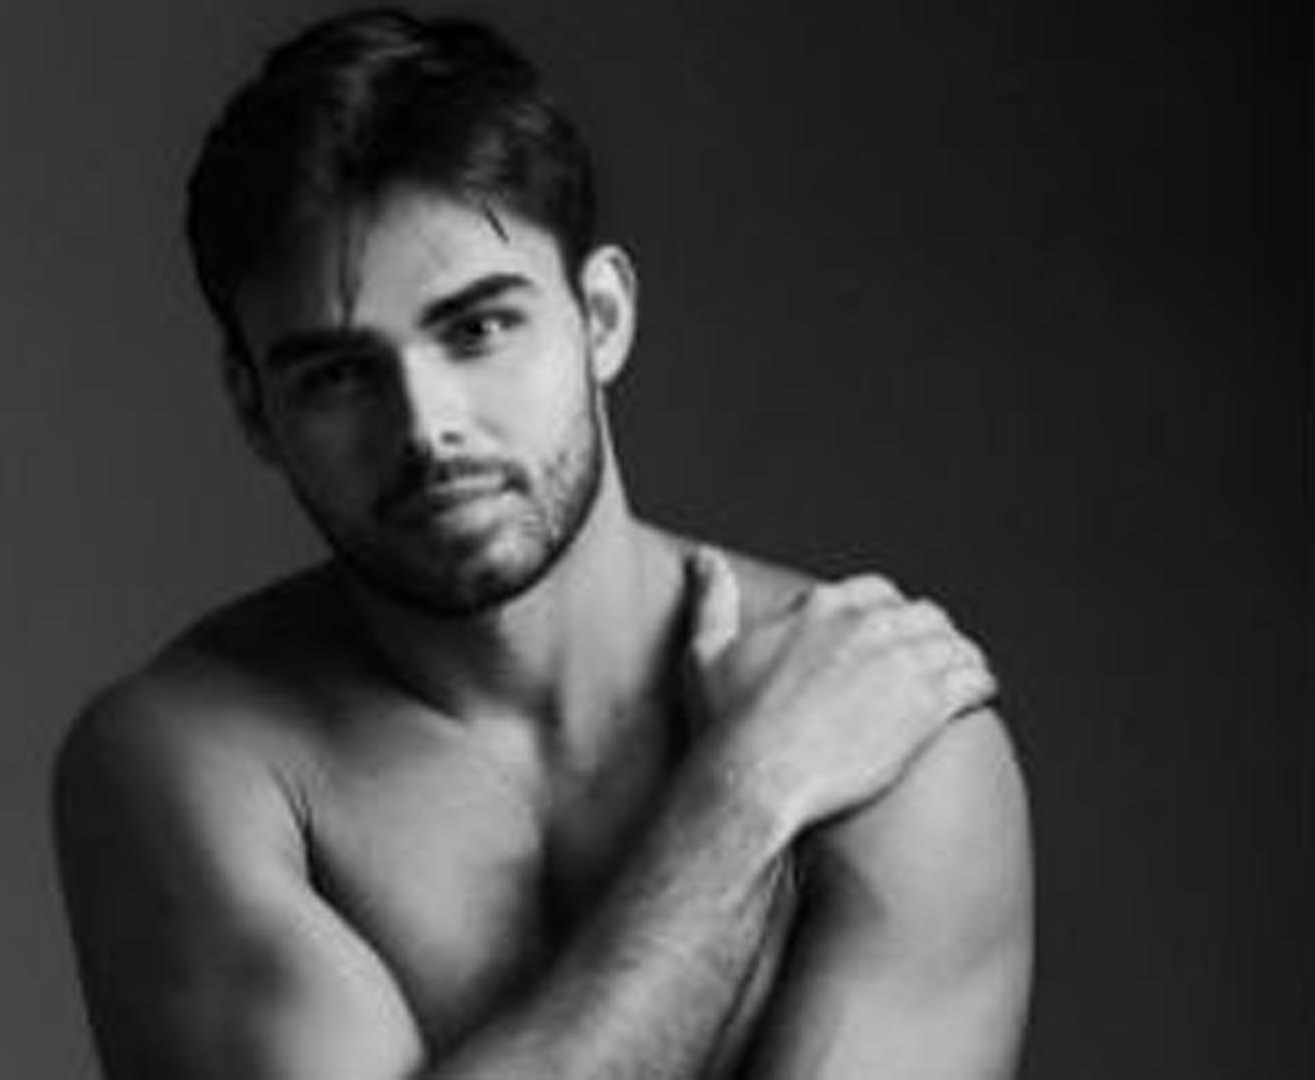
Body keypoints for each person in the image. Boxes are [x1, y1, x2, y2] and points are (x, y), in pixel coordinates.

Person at [51, 9, 1034, 1079]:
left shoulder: (884, 722)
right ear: (254, 410)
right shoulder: (197, 758)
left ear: (600, 317)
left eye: (477, 329)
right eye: (337, 375)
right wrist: (740, 807)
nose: (426, 427)